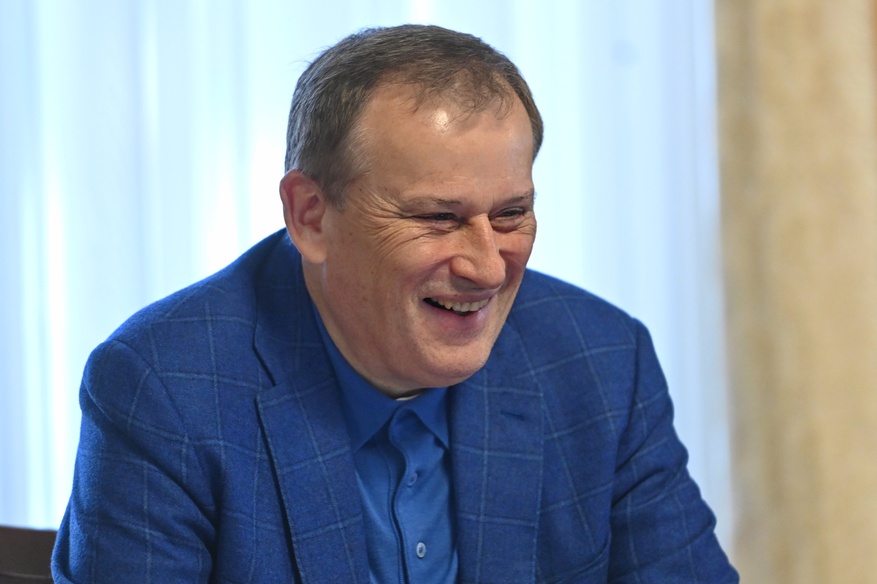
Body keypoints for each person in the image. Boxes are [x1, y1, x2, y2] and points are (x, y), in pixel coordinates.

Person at [52, 24, 738, 583]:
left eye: (510, 214)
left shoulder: (601, 361)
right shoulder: (163, 389)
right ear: (311, 215)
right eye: (438, 217)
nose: (486, 267)